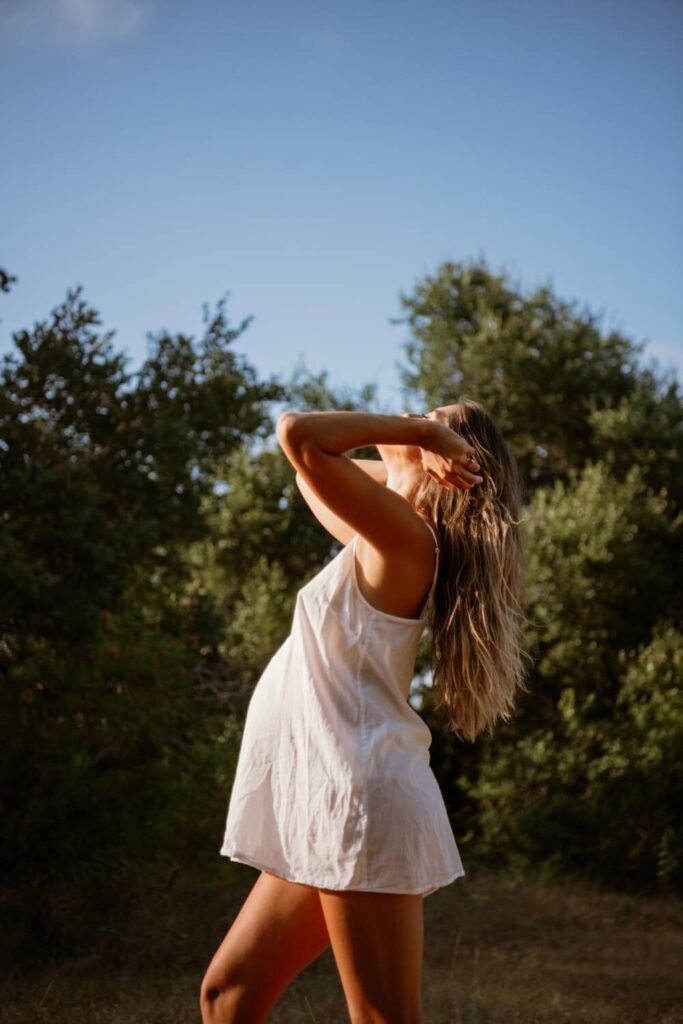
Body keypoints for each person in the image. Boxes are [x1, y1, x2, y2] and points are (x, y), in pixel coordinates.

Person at [200, 399, 529, 1024]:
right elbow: (306, 468)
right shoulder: (385, 530)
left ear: (448, 460)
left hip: (362, 802)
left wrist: (415, 438)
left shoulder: (406, 542)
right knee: (227, 997)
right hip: (331, 799)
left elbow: (299, 435)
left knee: (382, 1018)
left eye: (428, 413)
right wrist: (413, 464)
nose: (409, 412)